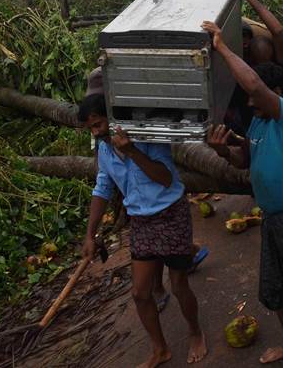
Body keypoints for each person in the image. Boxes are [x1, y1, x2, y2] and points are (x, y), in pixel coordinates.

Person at [202, 20, 283, 368]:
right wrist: (222, 151)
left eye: (255, 96)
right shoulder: (258, 123)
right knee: (277, 288)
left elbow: (253, 84)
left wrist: (221, 45)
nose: (249, 101)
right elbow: (245, 161)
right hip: (272, 217)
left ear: (274, 92)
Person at [79, 94, 207, 368]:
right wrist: (90, 234)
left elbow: (165, 178)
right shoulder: (104, 151)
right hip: (140, 220)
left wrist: (133, 151)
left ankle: (196, 332)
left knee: (179, 284)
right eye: (91, 128)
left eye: (98, 124)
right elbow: (102, 188)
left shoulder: (147, 136)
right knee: (139, 293)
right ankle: (160, 349)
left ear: (112, 118)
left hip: (171, 213)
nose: (96, 132)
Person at [224, 0, 283, 136]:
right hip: (251, 130)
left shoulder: (275, 74)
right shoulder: (241, 69)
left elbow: (277, 32)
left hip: (264, 128)